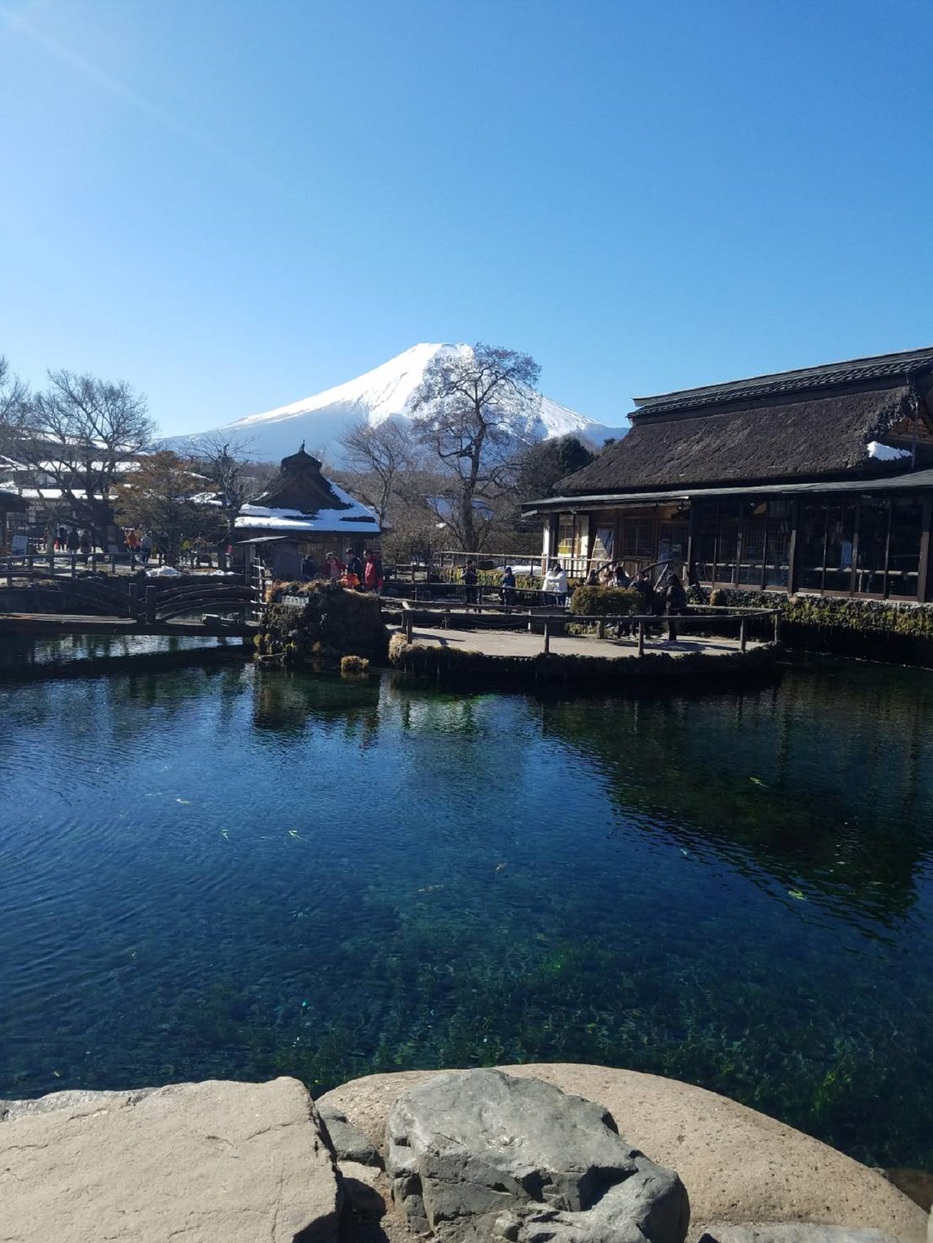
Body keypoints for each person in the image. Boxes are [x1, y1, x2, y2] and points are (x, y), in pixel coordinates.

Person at [665, 573, 688, 642]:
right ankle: (673, 637)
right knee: (673, 623)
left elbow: (669, 597)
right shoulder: (680, 587)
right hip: (679, 607)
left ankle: (671, 638)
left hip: (671, 607)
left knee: (670, 623)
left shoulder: (672, 587)